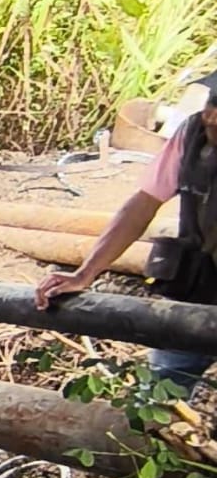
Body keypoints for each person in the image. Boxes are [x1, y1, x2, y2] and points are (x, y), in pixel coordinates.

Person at [35, 87, 217, 389]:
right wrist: (86, 272)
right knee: (161, 395)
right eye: (211, 111)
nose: (210, 121)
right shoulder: (191, 136)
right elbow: (143, 204)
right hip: (199, 288)